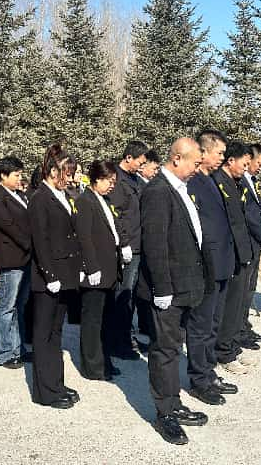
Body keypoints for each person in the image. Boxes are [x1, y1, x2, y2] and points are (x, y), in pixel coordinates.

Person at [138, 138, 210, 445]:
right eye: (195, 163)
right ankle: (165, 413)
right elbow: (154, 244)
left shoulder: (179, 188)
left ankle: (173, 402)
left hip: (184, 285)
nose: (197, 168)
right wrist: (162, 288)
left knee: (173, 347)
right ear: (177, 158)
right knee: (165, 350)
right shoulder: (158, 191)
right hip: (167, 288)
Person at [185, 130, 239, 405]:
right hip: (207, 264)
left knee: (213, 323)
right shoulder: (193, 182)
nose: (222, 158)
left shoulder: (212, 179)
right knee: (200, 325)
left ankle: (208, 370)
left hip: (222, 263)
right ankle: (199, 379)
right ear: (203, 152)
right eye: (219, 153)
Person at [29, 143, 81, 409]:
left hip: (65, 273)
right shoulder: (40, 198)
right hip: (48, 277)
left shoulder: (61, 195)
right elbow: (40, 240)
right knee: (44, 334)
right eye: (66, 173)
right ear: (52, 171)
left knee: (55, 332)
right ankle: (45, 391)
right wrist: (49, 274)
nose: (69, 178)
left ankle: (56, 383)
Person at [74, 160, 122, 381]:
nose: (112, 185)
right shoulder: (85, 201)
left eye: (114, 181)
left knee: (106, 320)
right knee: (92, 321)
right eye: (109, 181)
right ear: (97, 179)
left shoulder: (104, 200)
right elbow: (84, 238)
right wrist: (91, 267)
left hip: (109, 268)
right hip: (95, 270)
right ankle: (92, 366)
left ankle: (105, 360)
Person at [213, 142, 258, 376]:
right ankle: (223, 352)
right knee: (227, 307)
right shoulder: (218, 182)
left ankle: (230, 345)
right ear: (230, 160)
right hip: (229, 253)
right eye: (244, 163)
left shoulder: (235, 182)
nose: (246, 168)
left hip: (241, 252)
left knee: (237, 305)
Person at [0, 156, 32, 369]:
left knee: (19, 305)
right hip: (12, 258)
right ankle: (3, 352)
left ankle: (18, 348)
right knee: (7, 306)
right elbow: (9, 226)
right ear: (3, 175)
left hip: (25, 257)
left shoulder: (19, 195)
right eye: (16, 175)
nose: (19, 178)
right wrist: (31, 244)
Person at [108, 140, 149, 360]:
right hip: (128, 246)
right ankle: (118, 342)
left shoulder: (135, 179)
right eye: (139, 162)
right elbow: (117, 217)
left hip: (138, 244)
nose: (141, 167)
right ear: (128, 158)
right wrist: (123, 244)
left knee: (131, 296)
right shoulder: (117, 180)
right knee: (122, 296)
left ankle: (127, 337)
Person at [240, 143, 261, 345]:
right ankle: (239, 330)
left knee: (250, 287)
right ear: (248, 159)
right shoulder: (240, 181)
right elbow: (244, 212)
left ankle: (244, 325)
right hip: (248, 239)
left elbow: (259, 209)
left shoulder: (252, 181)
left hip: (256, 241)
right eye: (259, 163)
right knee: (243, 289)